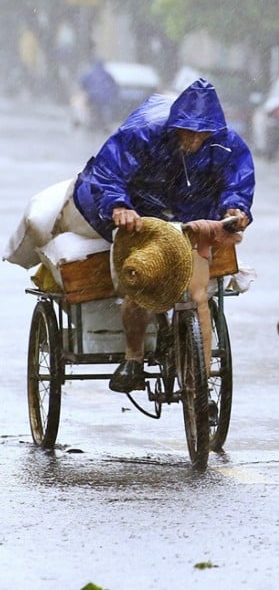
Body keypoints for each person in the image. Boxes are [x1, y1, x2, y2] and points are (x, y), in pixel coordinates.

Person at [67, 77, 255, 392]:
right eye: (187, 131)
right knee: (139, 284)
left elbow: (238, 183)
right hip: (143, 215)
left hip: (195, 220)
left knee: (200, 294)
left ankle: (201, 379)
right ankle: (134, 358)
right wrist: (119, 207)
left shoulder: (228, 144)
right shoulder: (143, 136)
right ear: (175, 124)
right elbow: (109, 173)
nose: (193, 139)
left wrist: (235, 209)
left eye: (201, 133)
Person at [78, 58, 118, 130]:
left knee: (92, 109)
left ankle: (92, 122)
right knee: (103, 109)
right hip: (104, 97)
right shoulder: (106, 74)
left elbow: (82, 82)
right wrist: (112, 95)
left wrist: (86, 89)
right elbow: (113, 84)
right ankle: (103, 124)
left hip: (93, 96)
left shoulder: (90, 73)